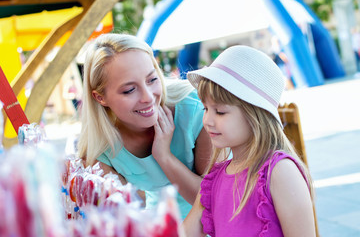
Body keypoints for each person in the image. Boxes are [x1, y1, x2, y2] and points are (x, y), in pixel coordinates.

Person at [183, 45, 317, 236]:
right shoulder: (215, 179)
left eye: (220, 111)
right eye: (205, 109)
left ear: (255, 116)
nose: (207, 121)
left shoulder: (279, 172)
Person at [77, 33, 212, 219]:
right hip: (160, 223)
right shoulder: (101, 149)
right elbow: (119, 216)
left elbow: (211, 201)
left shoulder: (198, 110)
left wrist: (164, 156)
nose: (148, 97)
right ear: (100, 98)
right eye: (129, 90)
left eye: (152, 79)